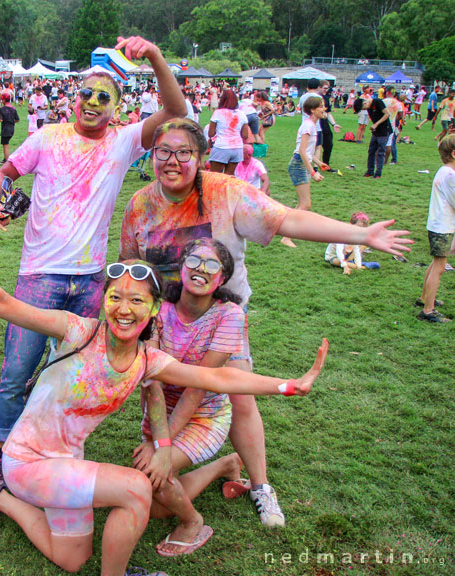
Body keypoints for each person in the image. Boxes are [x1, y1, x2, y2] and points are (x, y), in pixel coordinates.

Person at [0, 222, 329, 576]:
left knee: (71, 558)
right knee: (136, 488)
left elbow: (216, 376)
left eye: (137, 300)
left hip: (66, 461)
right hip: (27, 460)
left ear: (154, 310)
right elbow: (1, 302)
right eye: (115, 297)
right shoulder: (79, 332)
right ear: (103, 301)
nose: (124, 308)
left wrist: (288, 385)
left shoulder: (148, 360)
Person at [120, 118, 412, 526]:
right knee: (159, 387)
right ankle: (173, 446)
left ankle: (260, 485)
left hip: (221, 322)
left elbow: (288, 219)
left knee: (239, 398)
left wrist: (359, 236)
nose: (172, 161)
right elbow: (133, 266)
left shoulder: (225, 191)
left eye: (183, 152)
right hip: (166, 321)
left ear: (201, 157)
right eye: (163, 152)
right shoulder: (139, 205)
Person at [0, 35, 187, 483]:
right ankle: (2, 453)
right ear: (73, 98)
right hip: (39, 276)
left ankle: (49, 445)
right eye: (86, 95)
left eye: (104, 98)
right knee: (17, 369)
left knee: (67, 371)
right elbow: (6, 171)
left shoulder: (123, 141)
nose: (93, 104)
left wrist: (153, 56)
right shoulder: (46, 137)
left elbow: (176, 112)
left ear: (117, 106)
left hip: (92, 281)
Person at [134, 239, 247, 557]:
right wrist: (159, 439)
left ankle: (193, 523)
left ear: (222, 279)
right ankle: (225, 465)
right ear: (181, 266)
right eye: (194, 260)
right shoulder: (158, 307)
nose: (201, 269)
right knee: (155, 502)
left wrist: (162, 448)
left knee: (154, 475)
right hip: (159, 409)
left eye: (213, 265)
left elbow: (198, 388)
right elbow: (151, 376)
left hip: (205, 415)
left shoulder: (230, 316)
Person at [417, 135, 455, 322]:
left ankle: (424, 298)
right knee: (439, 267)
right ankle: (428, 311)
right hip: (442, 226)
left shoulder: (444, 171)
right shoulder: (451, 175)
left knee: (435, 264)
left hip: (437, 224)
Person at [281, 96, 327, 248]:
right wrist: (313, 173)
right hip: (298, 164)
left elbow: (307, 151)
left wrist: (319, 163)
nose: (324, 109)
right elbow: (301, 151)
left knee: (303, 203)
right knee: (305, 204)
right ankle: (286, 236)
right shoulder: (308, 125)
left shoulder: (311, 125)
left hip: (301, 163)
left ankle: (288, 231)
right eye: (321, 106)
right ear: (313, 109)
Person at [207, 89, 249, 175]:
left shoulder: (218, 113)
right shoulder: (242, 114)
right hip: (237, 148)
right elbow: (245, 135)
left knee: (214, 177)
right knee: (229, 178)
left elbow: (210, 133)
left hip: (221, 147)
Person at [353, 96, 391, 179]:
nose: (364, 110)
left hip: (384, 131)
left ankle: (378, 173)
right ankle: (370, 171)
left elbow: (387, 114)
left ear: (365, 103)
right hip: (376, 132)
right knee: (371, 151)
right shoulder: (369, 108)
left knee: (380, 152)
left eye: (363, 108)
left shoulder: (378, 102)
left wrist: (376, 124)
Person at [318, 81, 341, 170]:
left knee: (328, 144)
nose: (326, 90)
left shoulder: (326, 98)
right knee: (315, 146)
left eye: (327, 88)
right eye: (324, 88)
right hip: (316, 123)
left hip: (324, 123)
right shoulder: (315, 98)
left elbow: (327, 113)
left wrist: (334, 124)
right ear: (319, 87)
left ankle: (325, 164)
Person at [0, 92, 20, 163]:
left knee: (5, 144)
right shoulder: (13, 109)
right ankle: (5, 158)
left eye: (2, 100)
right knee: (6, 143)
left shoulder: (2, 109)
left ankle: (6, 160)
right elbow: (17, 119)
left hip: (5, 129)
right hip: (11, 128)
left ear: (4, 100)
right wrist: (12, 122)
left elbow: (1, 120)